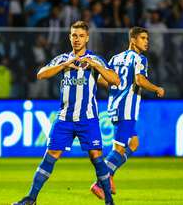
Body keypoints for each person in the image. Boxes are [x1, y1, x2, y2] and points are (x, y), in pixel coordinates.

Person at [12, 21, 120, 205]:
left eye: (80, 36)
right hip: (64, 119)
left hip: (88, 118)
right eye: (73, 35)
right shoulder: (63, 59)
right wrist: (64, 66)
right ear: (69, 37)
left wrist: (96, 66)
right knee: (51, 154)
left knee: (96, 157)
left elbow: (115, 80)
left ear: (87, 38)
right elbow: (41, 74)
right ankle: (31, 199)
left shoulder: (95, 59)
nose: (76, 39)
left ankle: (109, 201)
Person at [90, 27, 165, 199]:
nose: (147, 41)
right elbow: (139, 80)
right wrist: (156, 89)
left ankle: (110, 175)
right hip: (127, 109)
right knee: (118, 149)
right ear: (133, 40)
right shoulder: (140, 59)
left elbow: (103, 79)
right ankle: (100, 181)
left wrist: (117, 88)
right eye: (143, 38)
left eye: (147, 38)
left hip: (114, 106)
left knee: (134, 144)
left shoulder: (115, 58)